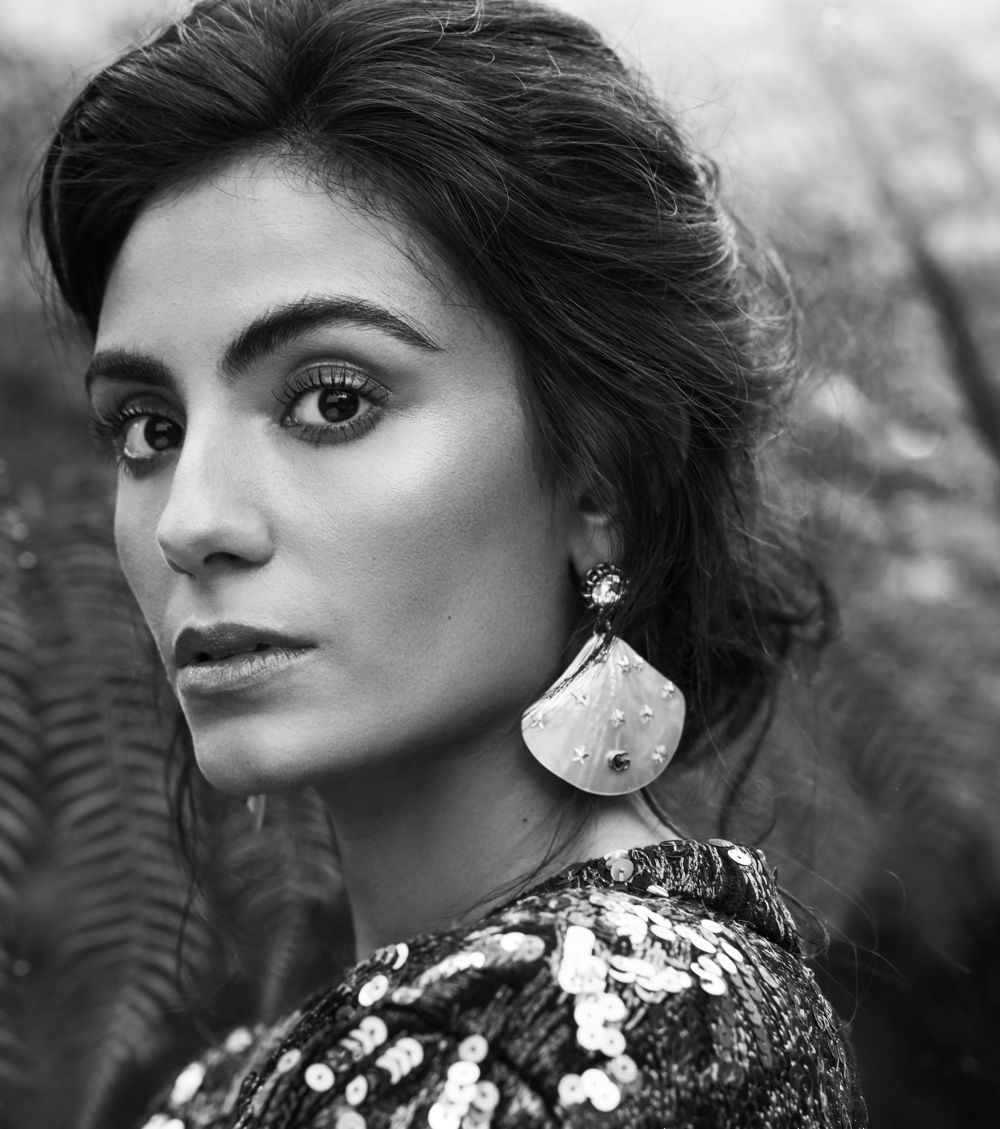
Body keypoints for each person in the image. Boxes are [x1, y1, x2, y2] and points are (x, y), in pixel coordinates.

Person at [33, 0, 866, 1124]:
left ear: (600, 488)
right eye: (148, 428)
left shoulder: (612, 1030)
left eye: (333, 401)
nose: (189, 520)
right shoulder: (259, 1072)